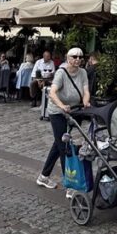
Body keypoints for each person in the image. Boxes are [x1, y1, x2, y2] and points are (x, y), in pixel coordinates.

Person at [37, 47, 90, 191]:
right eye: (74, 56)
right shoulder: (61, 73)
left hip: (74, 110)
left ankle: (43, 176)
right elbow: (52, 93)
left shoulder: (83, 72)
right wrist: (62, 105)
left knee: (59, 142)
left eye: (80, 57)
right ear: (68, 58)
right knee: (64, 148)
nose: (78, 59)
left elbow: (85, 90)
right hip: (57, 111)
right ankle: (70, 185)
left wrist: (86, 101)